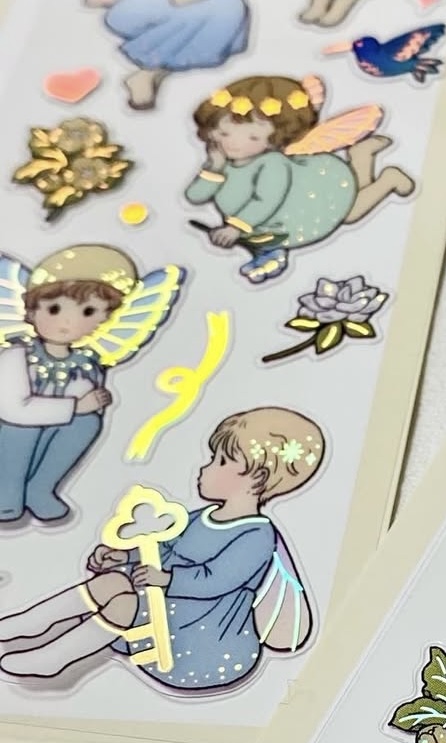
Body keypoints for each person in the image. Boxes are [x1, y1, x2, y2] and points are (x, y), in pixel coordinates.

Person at [0, 406, 322, 689]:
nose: (206, 467)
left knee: (123, 604)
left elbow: (216, 580)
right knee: (111, 582)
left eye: (222, 461)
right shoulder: (202, 517)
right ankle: (28, 624)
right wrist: (124, 556)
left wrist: (166, 579)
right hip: (165, 608)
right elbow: (162, 546)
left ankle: (53, 659)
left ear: (257, 478)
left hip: (199, 640)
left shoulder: (256, 535)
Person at [0, 244, 183, 524]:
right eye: (54, 308)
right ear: (32, 311)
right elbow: (13, 409)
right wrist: (74, 406)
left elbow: (89, 401)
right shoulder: (16, 355)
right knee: (20, 433)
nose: (67, 321)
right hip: (13, 428)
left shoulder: (85, 362)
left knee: (86, 424)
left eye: (88, 312)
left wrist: (86, 406)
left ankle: (39, 489)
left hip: (54, 424)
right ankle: (6, 491)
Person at [186, 75, 414, 283]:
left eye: (253, 137)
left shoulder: (273, 163)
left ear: (276, 138)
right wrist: (214, 168)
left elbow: (266, 200)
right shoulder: (224, 162)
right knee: (353, 201)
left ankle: (388, 179)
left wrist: (235, 228)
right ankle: (361, 155)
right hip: (268, 224)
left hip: (308, 204)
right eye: (224, 133)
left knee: (350, 211)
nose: (233, 143)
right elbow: (195, 196)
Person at [86, 0, 251, 111]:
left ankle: (152, 73)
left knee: (229, 7)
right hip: (136, 10)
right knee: (212, 11)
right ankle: (150, 71)